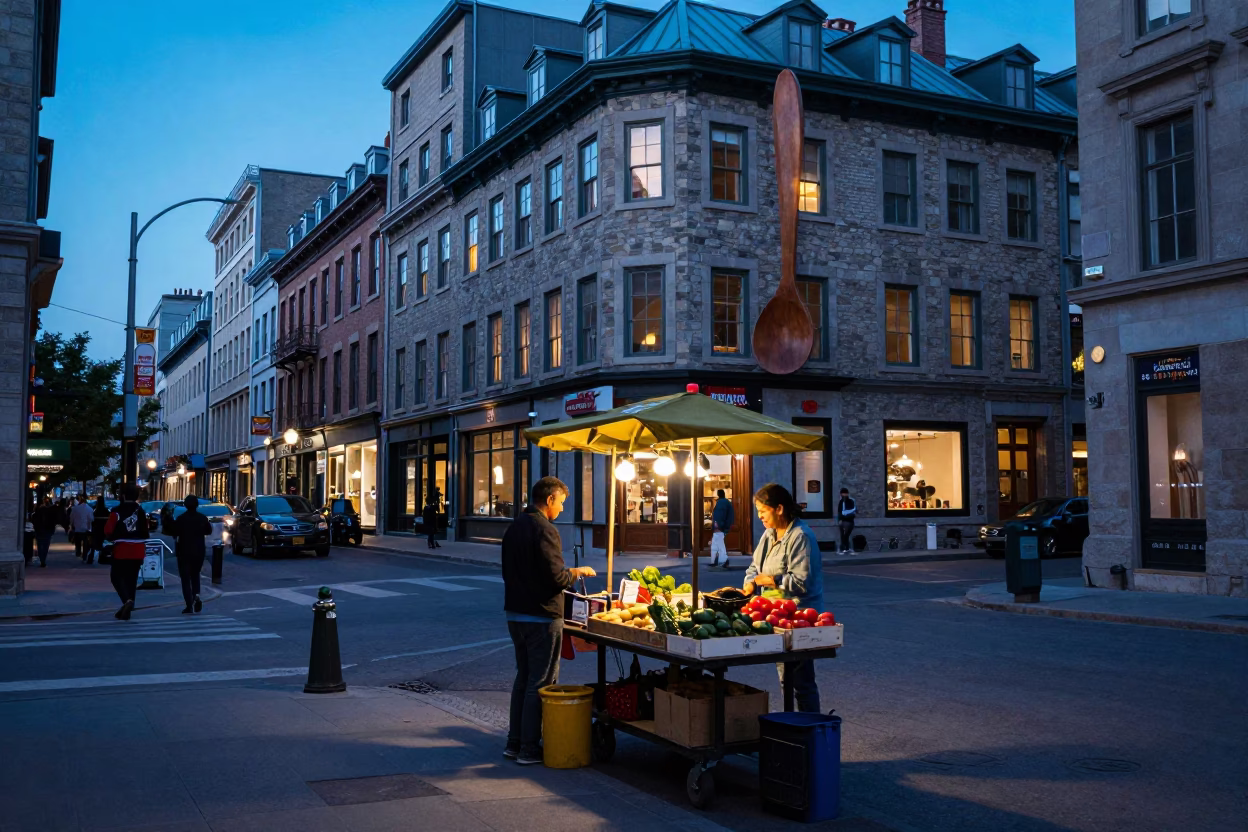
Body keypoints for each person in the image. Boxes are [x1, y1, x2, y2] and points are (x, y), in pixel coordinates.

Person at [501, 476, 596, 765]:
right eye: (562, 503)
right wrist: (577, 572)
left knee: (523, 678)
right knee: (540, 681)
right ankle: (529, 748)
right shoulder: (545, 529)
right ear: (550, 499)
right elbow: (556, 577)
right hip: (541, 615)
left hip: (515, 613)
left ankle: (514, 742)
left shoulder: (513, 527)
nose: (563, 509)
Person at [743, 482, 824, 713]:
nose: (760, 517)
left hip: (800, 616)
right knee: (785, 678)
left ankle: (808, 732)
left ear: (779, 509)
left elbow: (801, 582)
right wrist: (749, 584)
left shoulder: (801, 536)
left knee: (801, 681)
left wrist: (772, 580)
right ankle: (791, 727)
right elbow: (753, 568)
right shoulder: (768, 535)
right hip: (775, 615)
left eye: (763, 511)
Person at [103, 483, 151, 620]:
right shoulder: (140, 510)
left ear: (123, 496)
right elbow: (145, 529)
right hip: (138, 549)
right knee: (132, 579)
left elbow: (108, 529)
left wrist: (110, 539)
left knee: (116, 577)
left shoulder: (116, 511)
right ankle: (128, 608)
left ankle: (127, 601)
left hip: (122, 548)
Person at [171, 494, 212, 614]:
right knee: (195, 575)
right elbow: (208, 531)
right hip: (199, 550)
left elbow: (174, 532)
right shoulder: (202, 518)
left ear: (185, 505)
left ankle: (189, 604)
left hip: (184, 551)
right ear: (197, 505)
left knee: (185, 578)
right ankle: (197, 595)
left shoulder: (181, 519)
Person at [709, 488, 734, 569]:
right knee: (717, 545)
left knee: (718, 545)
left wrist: (718, 525)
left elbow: (719, 515)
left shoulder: (721, 503)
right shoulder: (725, 502)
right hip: (721, 527)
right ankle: (717, 561)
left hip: (719, 527)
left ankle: (722, 560)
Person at [30, 496, 58, 568]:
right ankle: (43, 559)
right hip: (47, 531)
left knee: (40, 545)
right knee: (45, 546)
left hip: (39, 531)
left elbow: (33, 521)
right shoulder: (50, 514)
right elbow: (53, 522)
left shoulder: (36, 514)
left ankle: (41, 559)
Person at [70, 495, 94, 561]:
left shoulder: (75, 509)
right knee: (85, 542)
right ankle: (84, 555)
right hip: (86, 528)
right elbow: (91, 519)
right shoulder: (90, 509)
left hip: (77, 528)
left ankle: (78, 552)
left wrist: (72, 525)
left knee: (78, 541)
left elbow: (71, 518)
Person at [89, 496, 110, 565]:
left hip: (96, 530)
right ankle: (102, 558)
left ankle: (90, 559)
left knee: (93, 545)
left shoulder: (95, 511)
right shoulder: (106, 511)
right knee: (103, 545)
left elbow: (92, 521)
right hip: (104, 530)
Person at [836, 487, 857, 554]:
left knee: (846, 535)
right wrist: (839, 520)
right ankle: (844, 548)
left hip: (849, 520)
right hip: (843, 520)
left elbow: (854, 510)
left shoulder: (851, 501)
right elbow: (839, 511)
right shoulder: (841, 501)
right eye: (843, 494)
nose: (844, 495)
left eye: (845, 493)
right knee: (843, 535)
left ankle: (845, 548)